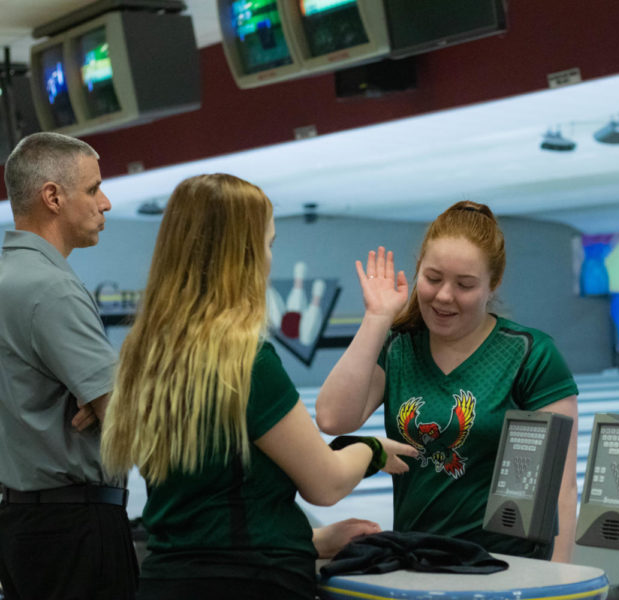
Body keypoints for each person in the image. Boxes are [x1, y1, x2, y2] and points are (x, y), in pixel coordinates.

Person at [100, 173, 418, 600]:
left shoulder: (147, 355)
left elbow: (208, 509)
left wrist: (314, 542)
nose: (270, 258)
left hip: (166, 580)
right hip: (254, 584)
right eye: (269, 244)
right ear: (244, 253)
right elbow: (324, 485)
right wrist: (372, 450)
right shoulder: (245, 360)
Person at [315, 200, 579, 562]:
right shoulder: (399, 346)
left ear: (493, 284)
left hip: (507, 568)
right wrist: (377, 318)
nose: (443, 296)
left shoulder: (530, 354)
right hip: (415, 562)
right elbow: (333, 419)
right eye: (433, 278)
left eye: (465, 285)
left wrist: (557, 583)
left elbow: (561, 488)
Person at [0, 132, 138, 600]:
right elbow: (129, 423)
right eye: (94, 188)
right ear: (53, 197)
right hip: (73, 529)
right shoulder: (51, 289)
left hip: (22, 523)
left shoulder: (6, 278)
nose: (107, 202)